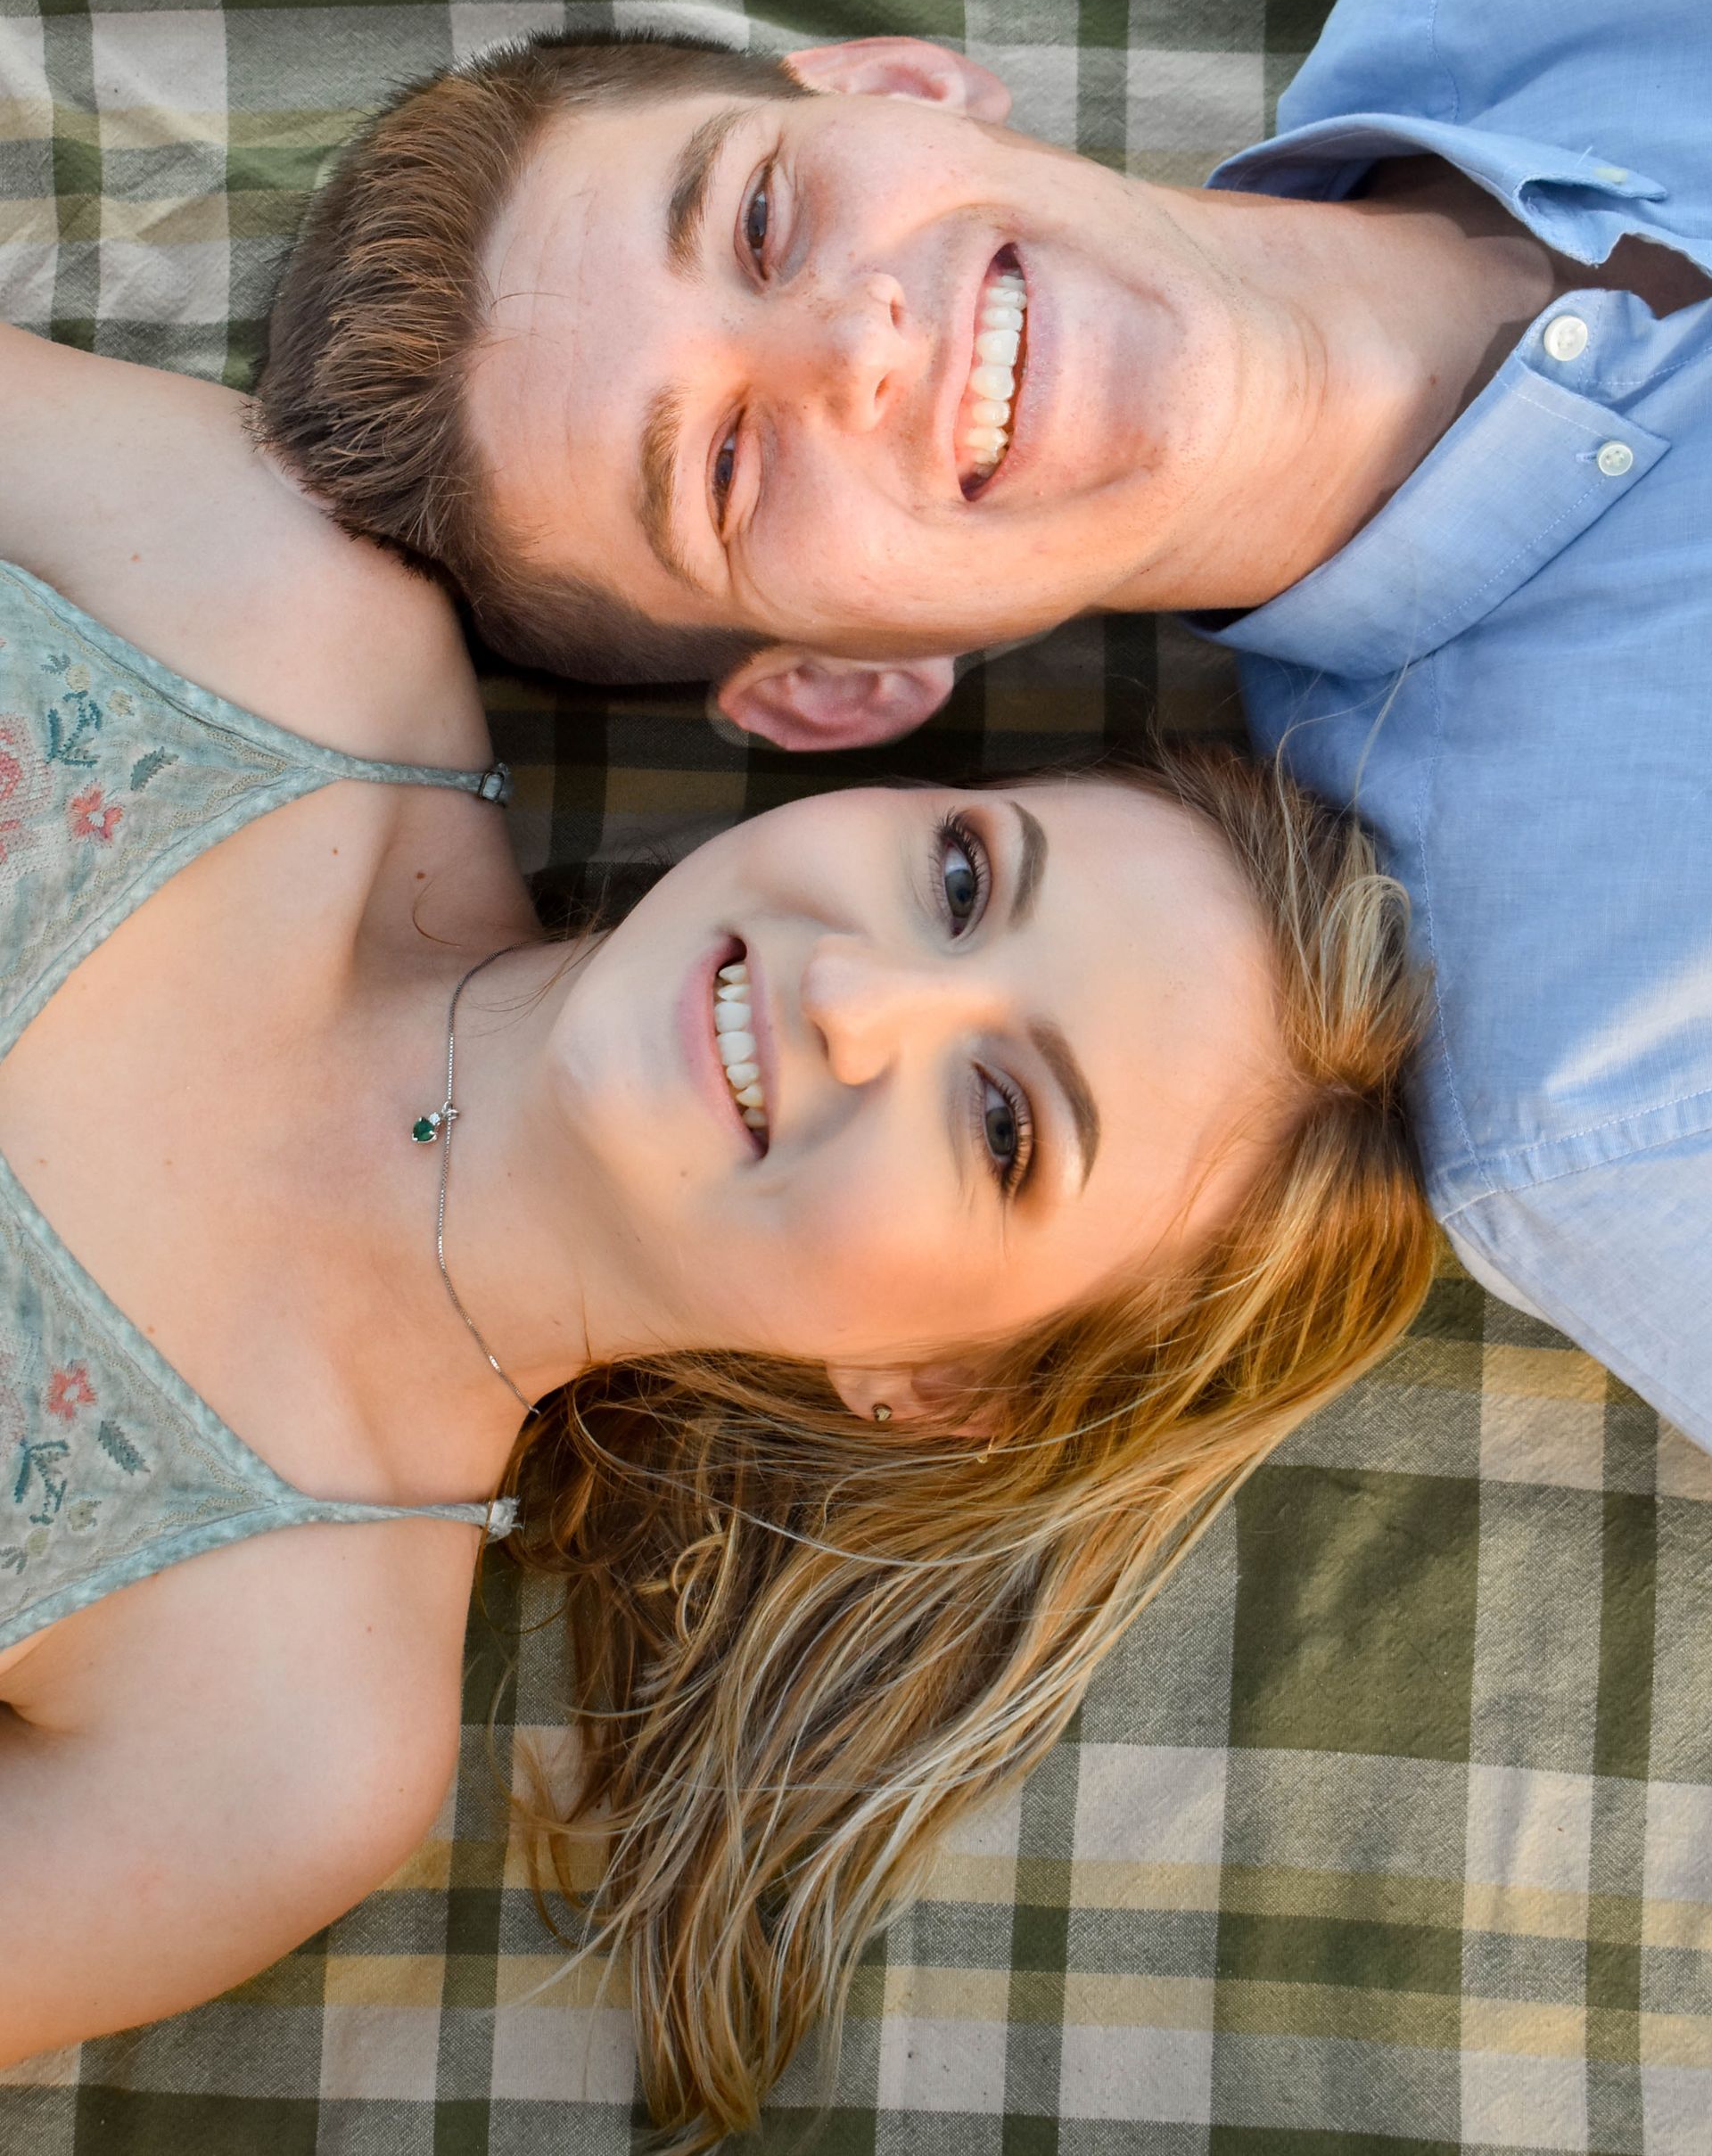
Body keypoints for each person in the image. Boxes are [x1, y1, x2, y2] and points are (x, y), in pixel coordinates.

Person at [259, 0, 1712, 1460]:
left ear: (899, 84)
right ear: (844, 686)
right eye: (727, 469)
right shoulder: (1609, 1077)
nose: (855, 346)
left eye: (764, 222)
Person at [0, 318, 1432, 2132]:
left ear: (938, 1378)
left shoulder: (268, 1739)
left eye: (1000, 1122)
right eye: (962, 879)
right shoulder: (271, 602)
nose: (855, 990)